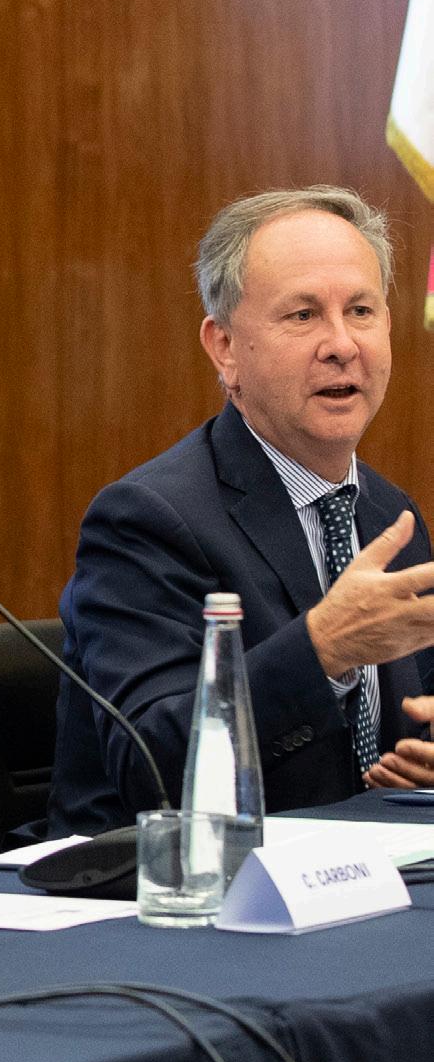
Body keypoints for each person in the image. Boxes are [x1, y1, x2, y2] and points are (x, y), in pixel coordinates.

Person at [49, 187, 434, 834]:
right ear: (224, 346)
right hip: (170, 884)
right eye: (304, 315)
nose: (342, 344)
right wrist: (323, 649)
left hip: (358, 873)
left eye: (361, 310)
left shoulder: (389, 515)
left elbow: (412, 720)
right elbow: (153, 765)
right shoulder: (147, 520)